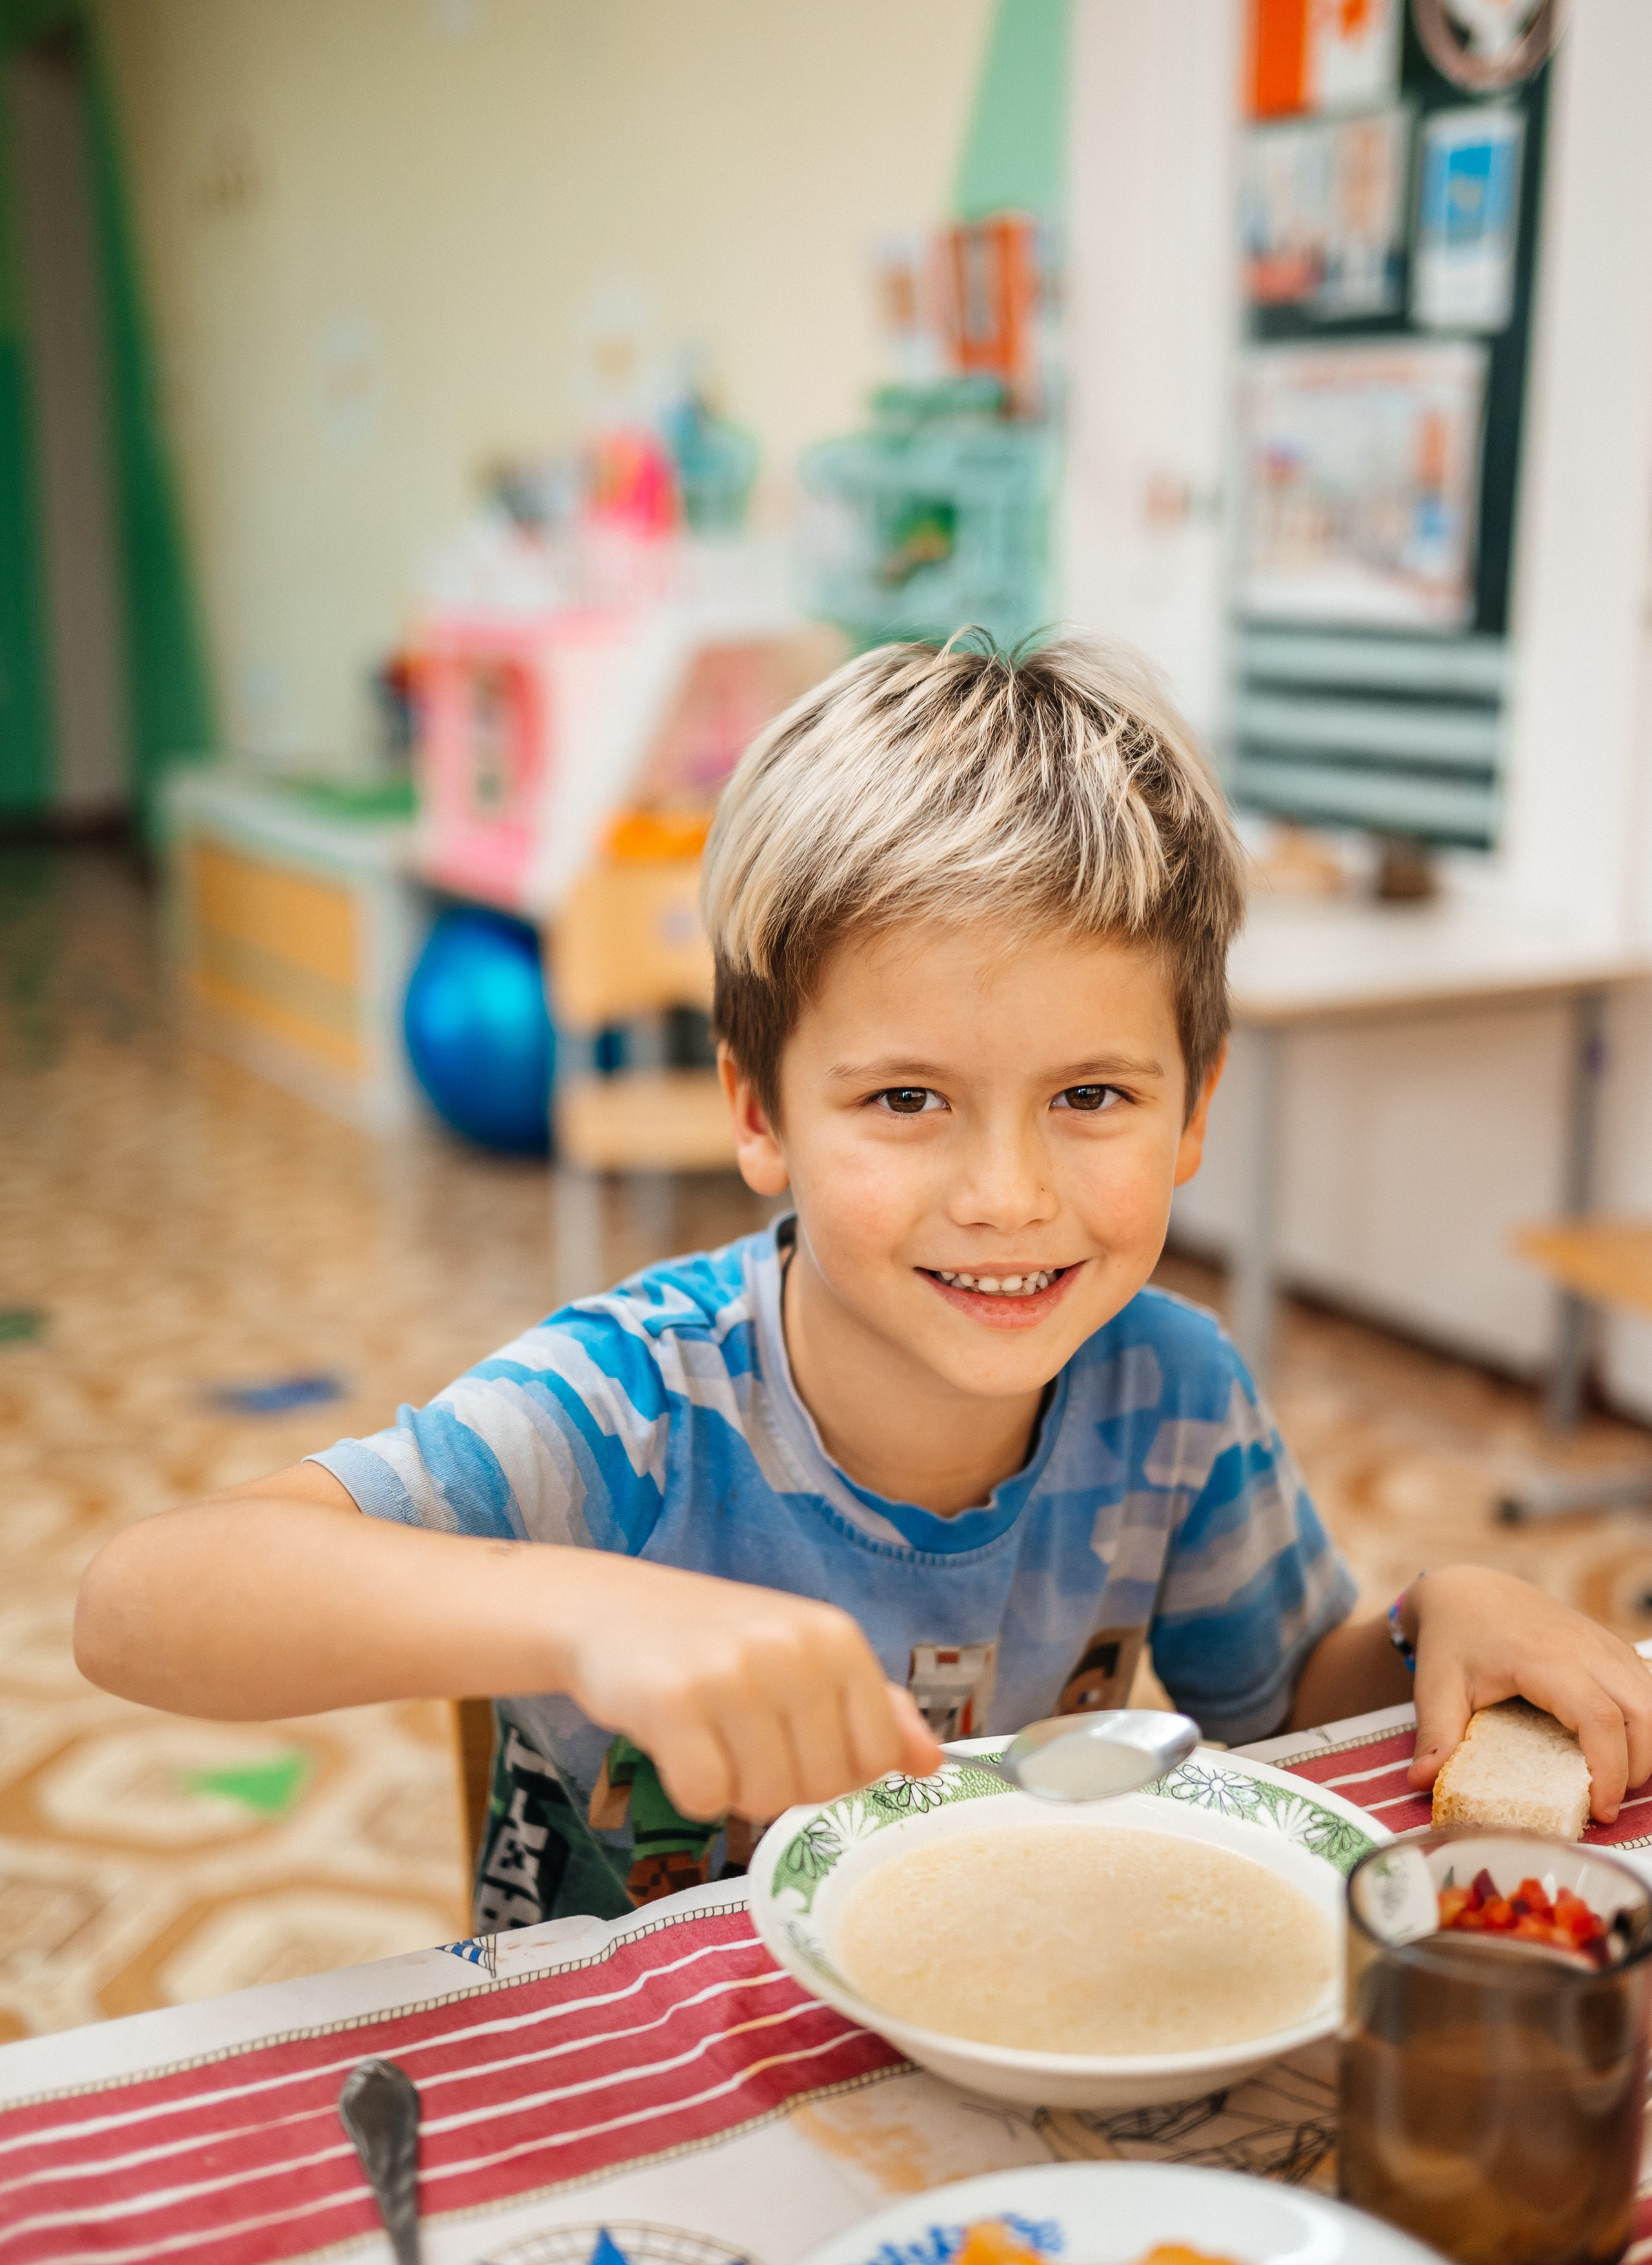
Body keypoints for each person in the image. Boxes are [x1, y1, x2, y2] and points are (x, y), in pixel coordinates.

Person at [76, 636, 1652, 1927]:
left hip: (998, 2012)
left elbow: (1292, 1703)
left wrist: (1435, 1617)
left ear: (1193, 1108)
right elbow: (141, 1603)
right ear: (758, 1111)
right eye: (905, 1098)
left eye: (1089, 1096)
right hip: (648, 2073)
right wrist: (587, 1609)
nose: (1005, 1194)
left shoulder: (1171, 1395)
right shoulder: (629, 1409)